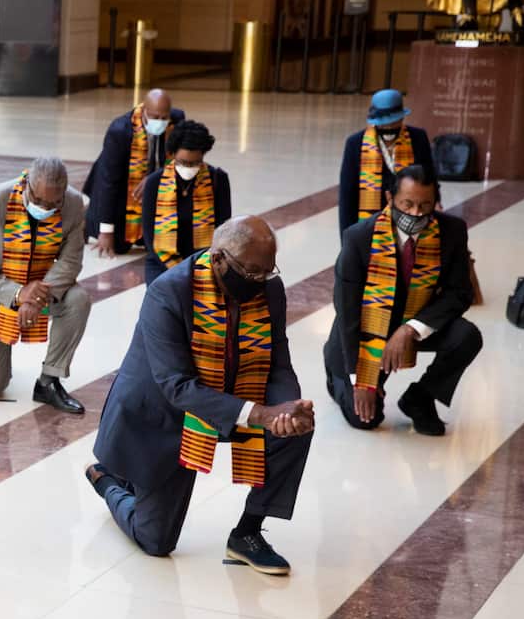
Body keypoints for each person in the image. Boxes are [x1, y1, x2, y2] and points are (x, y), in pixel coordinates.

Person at [86, 216, 314, 575]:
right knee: (156, 542)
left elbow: (278, 363)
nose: (261, 281)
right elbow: (176, 386)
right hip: (165, 416)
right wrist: (261, 414)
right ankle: (108, 482)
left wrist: (288, 410)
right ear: (219, 258)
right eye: (252, 272)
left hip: (232, 396)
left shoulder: (269, 288)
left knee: (295, 431)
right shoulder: (168, 292)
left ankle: (248, 532)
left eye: (268, 271)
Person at [325, 165, 480, 436]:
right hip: (365, 331)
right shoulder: (359, 237)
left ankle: (419, 398)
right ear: (390, 198)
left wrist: (410, 329)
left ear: (435, 202)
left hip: (414, 323)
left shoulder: (452, 231)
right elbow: (347, 312)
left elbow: (460, 292)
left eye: (424, 205)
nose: (416, 213)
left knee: (466, 336)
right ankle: (338, 382)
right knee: (366, 420)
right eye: (407, 204)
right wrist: (360, 380)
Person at [0, 157, 91, 414]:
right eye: (38, 200)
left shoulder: (73, 203)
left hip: (43, 291)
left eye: (54, 203)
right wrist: (18, 294)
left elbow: (70, 262)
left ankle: (49, 380)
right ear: (27, 183)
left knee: (78, 299)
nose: (44, 207)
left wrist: (33, 298)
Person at [83, 88, 186, 257]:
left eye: (164, 118)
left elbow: (181, 159)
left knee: (154, 243)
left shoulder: (177, 120)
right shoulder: (120, 130)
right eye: (154, 117)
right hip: (122, 185)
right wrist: (106, 231)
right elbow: (109, 182)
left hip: (155, 185)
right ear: (144, 109)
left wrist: (154, 179)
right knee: (119, 246)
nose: (160, 122)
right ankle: (88, 216)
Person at [140, 119, 232, 286]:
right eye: (183, 162)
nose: (188, 168)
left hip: (204, 261)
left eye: (195, 163)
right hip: (162, 260)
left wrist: (199, 268)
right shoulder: (155, 182)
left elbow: (222, 230)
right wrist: (177, 270)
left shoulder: (218, 179)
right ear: (173, 154)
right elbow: (149, 234)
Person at [338, 89, 435, 236]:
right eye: (384, 124)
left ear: (402, 118)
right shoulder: (355, 143)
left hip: (411, 222)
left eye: (393, 122)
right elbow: (347, 197)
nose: (388, 127)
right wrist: (347, 239)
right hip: (370, 226)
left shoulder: (418, 138)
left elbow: (430, 181)